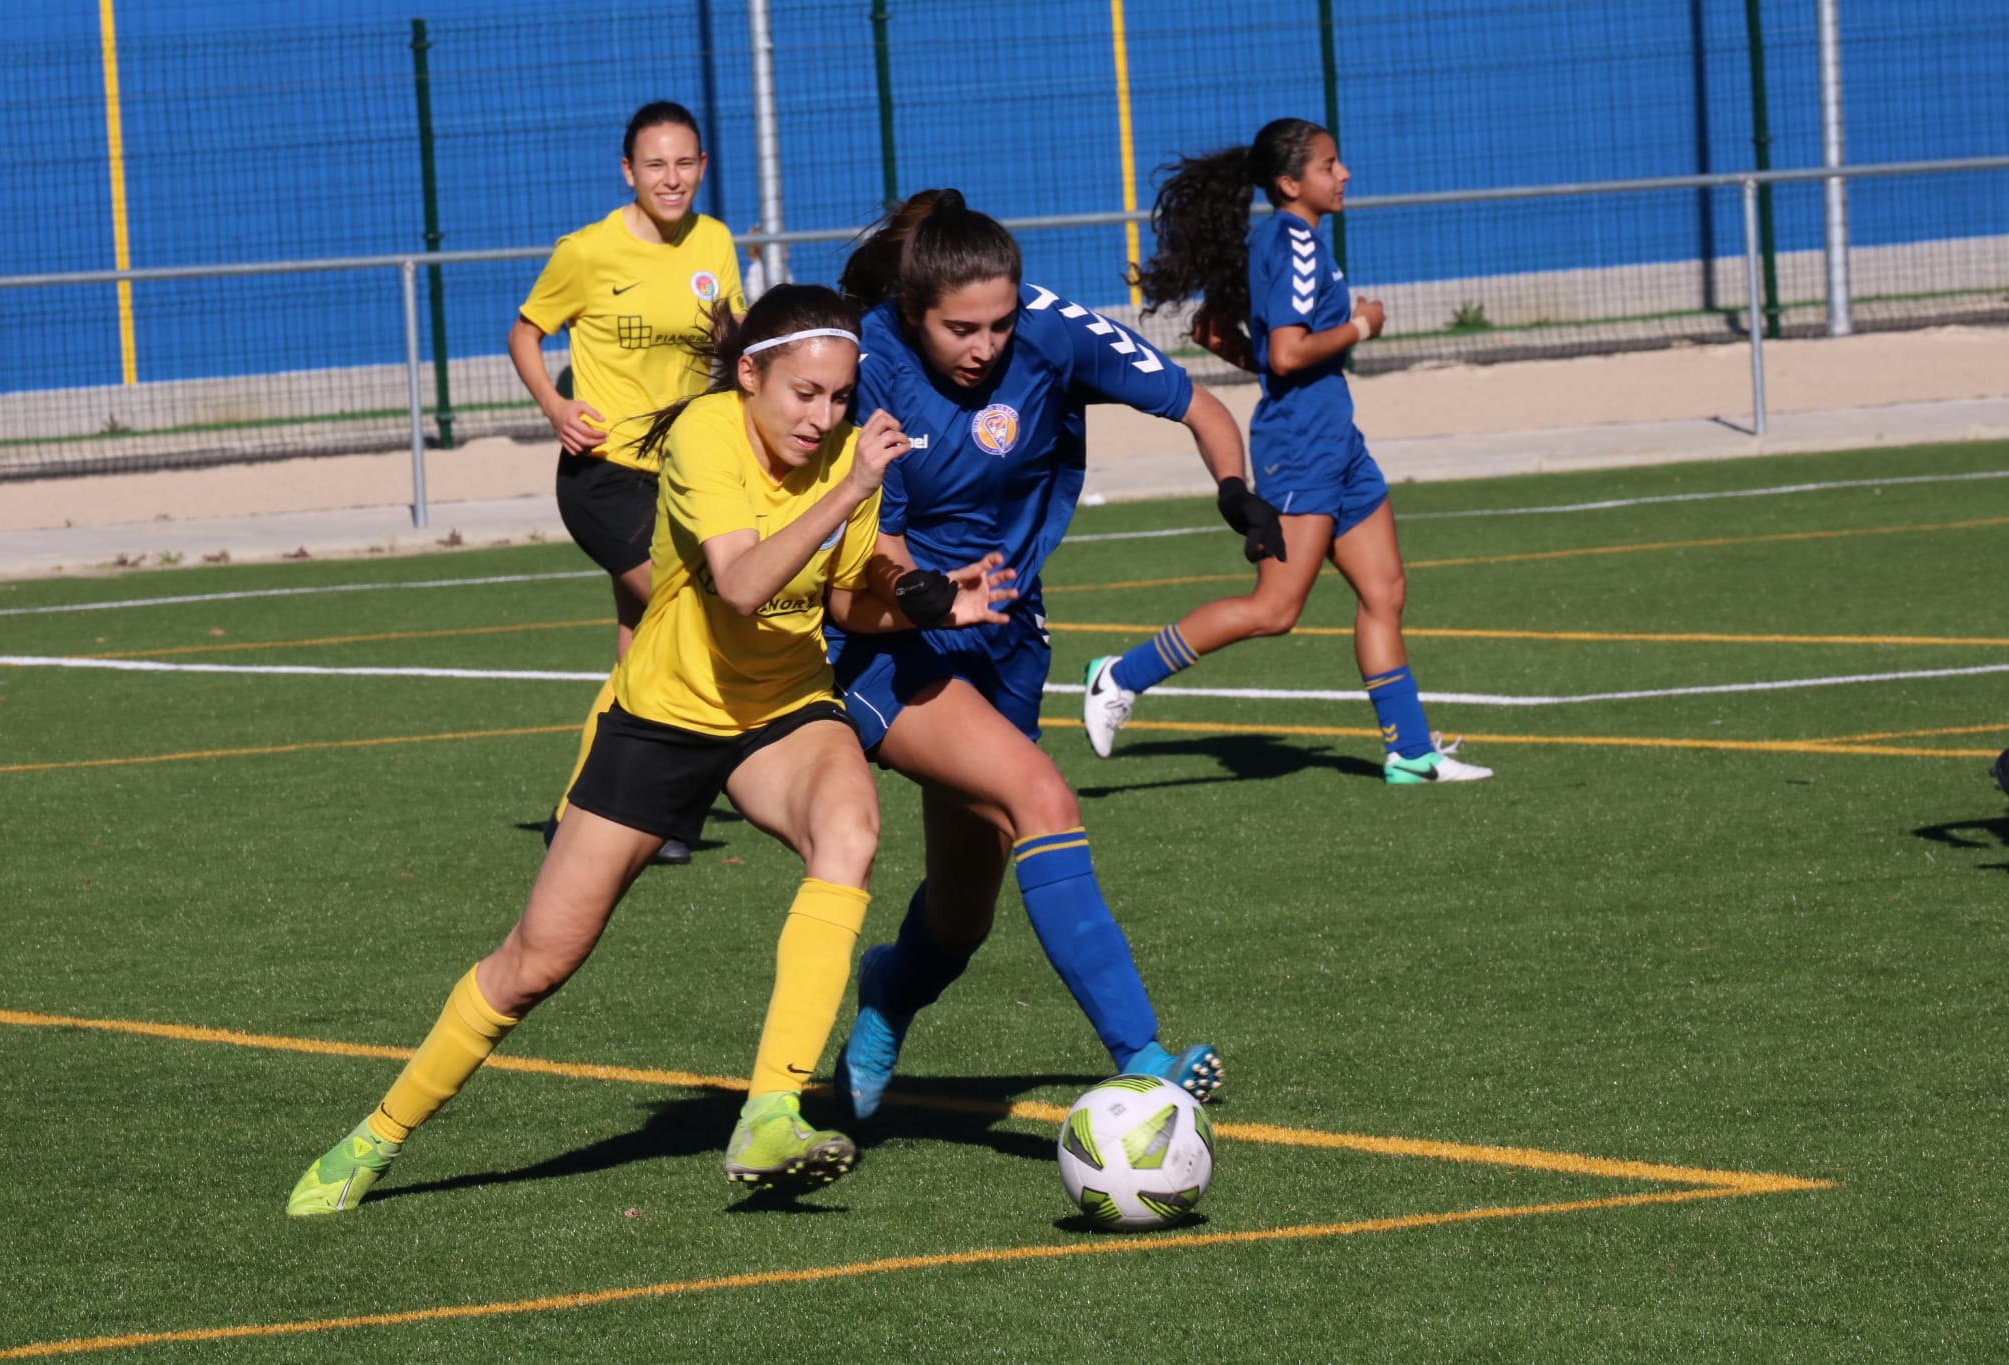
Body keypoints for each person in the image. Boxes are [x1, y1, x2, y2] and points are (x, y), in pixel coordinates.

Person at [287, 285, 1013, 1214]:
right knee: (536, 961)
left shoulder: (845, 452)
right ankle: (375, 1137)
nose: (823, 416)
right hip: (664, 716)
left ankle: (770, 1112)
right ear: (750, 375)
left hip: (782, 706)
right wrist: (851, 488)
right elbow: (744, 582)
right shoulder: (707, 436)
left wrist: (927, 599)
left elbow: (839, 599)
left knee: (851, 831)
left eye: (838, 397)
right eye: (804, 394)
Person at [824, 189, 1285, 1121]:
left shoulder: (1052, 331)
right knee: (1042, 797)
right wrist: (920, 590)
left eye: (1000, 322)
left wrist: (1236, 491)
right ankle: (1145, 1056)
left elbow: (1199, 406)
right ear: (914, 311)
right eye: (961, 329)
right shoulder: (865, 361)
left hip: (1008, 641)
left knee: (962, 915)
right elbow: (865, 541)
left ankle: (887, 994)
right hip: (891, 641)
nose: (986, 346)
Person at [1082, 119, 1493, 785]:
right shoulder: (1294, 243)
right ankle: (1118, 676)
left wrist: (1280, 369)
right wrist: (1362, 324)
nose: (1344, 174)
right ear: (1289, 183)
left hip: (1336, 441)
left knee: (1385, 589)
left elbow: (1214, 331)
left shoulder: (1282, 239)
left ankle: (1410, 753)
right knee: (1274, 609)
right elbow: (1288, 350)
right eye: (1330, 164)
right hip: (1302, 448)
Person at [508, 100, 748, 865]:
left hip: (682, 478)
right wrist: (554, 406)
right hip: (603, 477)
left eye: (685, 164)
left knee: (639, 652)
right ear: (628, 172)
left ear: (703, 168)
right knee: (696, 621)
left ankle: (585, 816)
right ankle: (668, 811)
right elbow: (524, 332)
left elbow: (732, 342)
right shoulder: (588, 252)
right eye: (655, 165)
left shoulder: (715, 241)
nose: (671, 178)